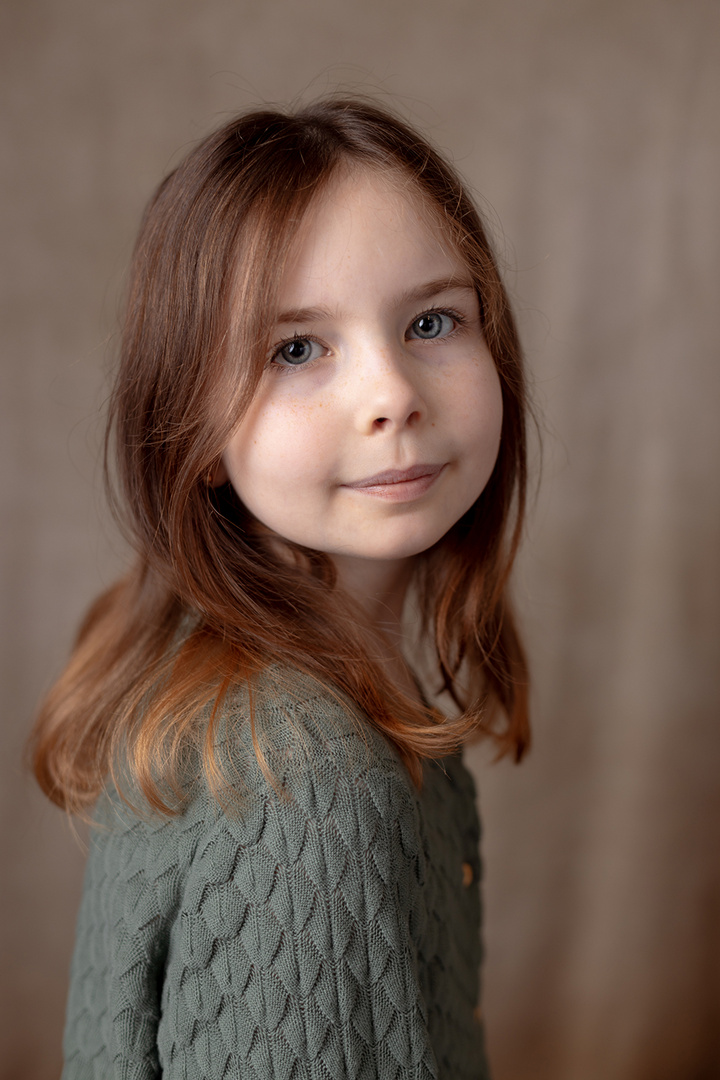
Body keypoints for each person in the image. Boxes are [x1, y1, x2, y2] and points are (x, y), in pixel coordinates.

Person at [31, 96, 530, 1080]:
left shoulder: (265, 690)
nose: (392, 395)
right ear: (196, 434)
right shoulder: (313, 784)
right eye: (297, 349)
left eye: (432, 320)